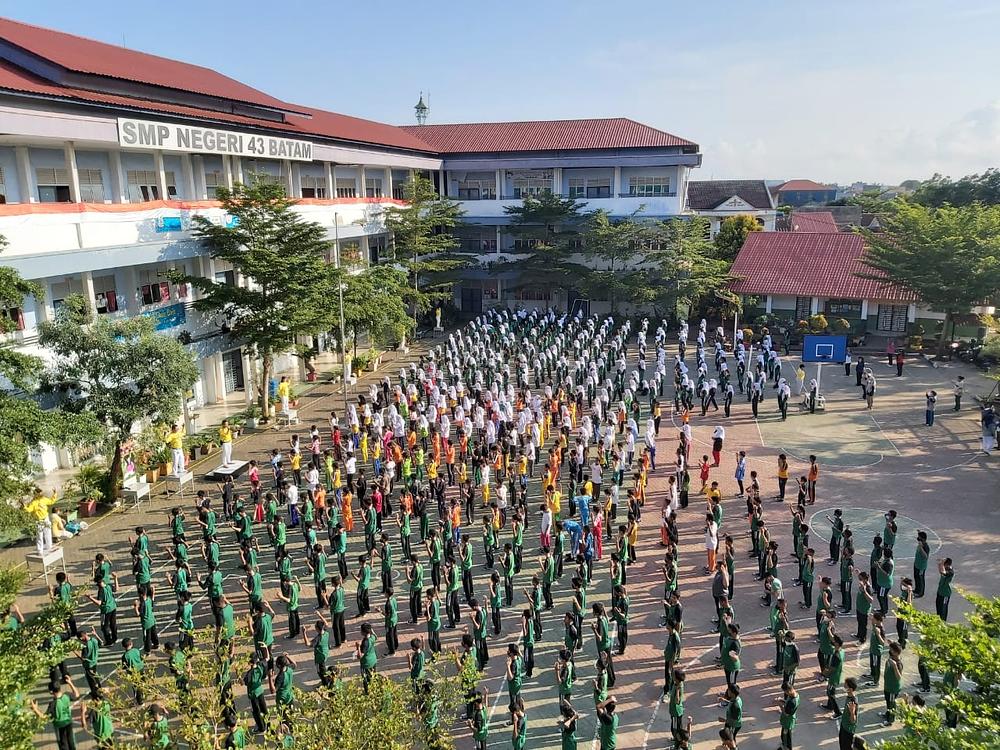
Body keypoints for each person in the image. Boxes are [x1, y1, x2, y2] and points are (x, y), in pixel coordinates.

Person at [32, 677, 80, 750]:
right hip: (69, 723)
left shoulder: (53, 704)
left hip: (59, 726)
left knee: (63, 745)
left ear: (51, 692)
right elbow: (77, 695)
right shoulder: (66, 696)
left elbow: (43, 717)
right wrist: (70, 683)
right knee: (71, 742)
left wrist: (35, 709)